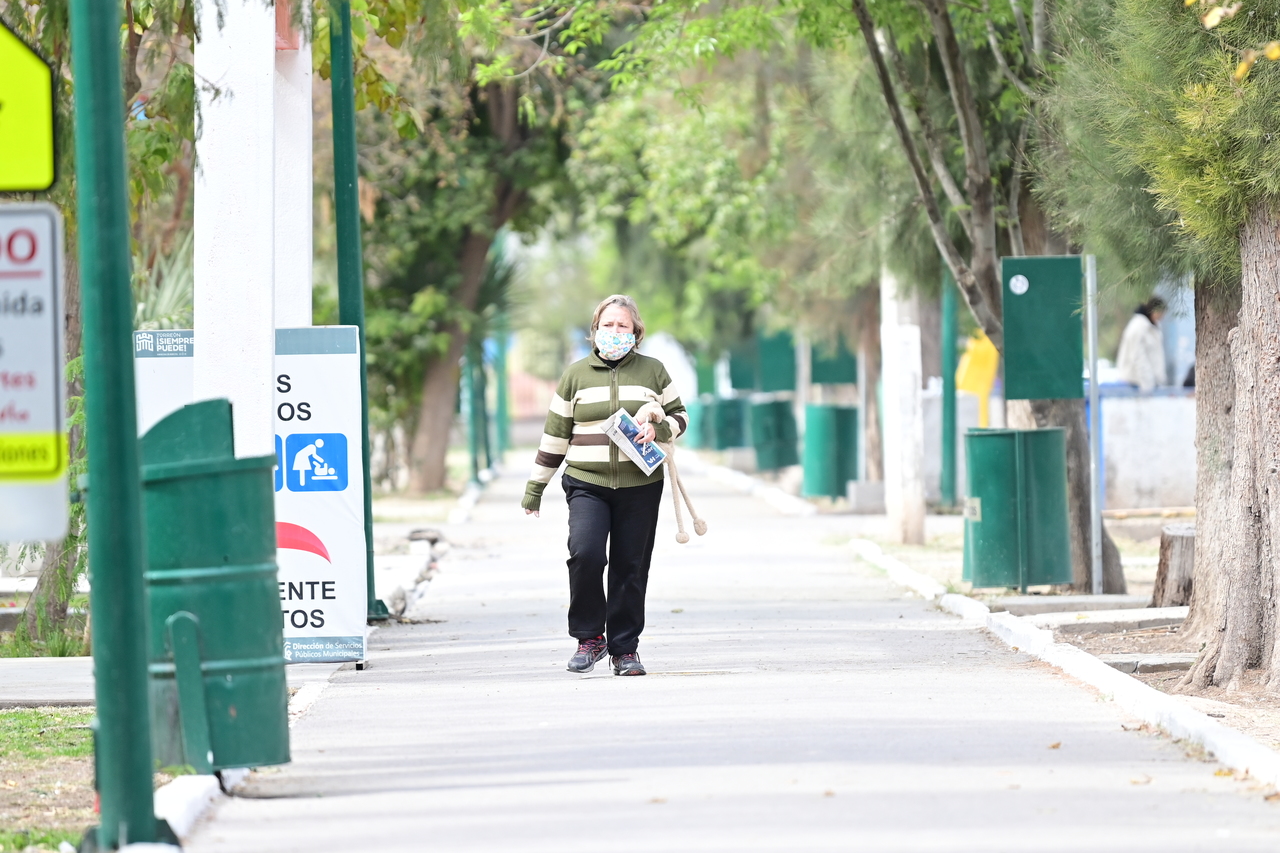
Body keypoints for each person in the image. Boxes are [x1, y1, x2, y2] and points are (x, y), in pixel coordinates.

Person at [522, 295, 688, 676]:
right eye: (608, 325)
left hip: (640, 485)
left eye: (623, 326)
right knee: (586, 554)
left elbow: (680, 415)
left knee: (631, 566)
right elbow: (555, 435)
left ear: (636, 332)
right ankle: (589, 639)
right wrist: (536, 488)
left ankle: (625, 650)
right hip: (586, 483)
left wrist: (659, 427)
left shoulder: (654, 371)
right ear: (594, 330)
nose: (615, 332)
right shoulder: (575, 375)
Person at [1116, 297, 1167, 391]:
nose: (1162, 316)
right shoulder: (1138, 327)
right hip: (1136, 385)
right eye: (1161, 312)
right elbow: (1138, 357)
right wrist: (1147, 385)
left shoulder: (1154, 327)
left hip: (1151, 384)